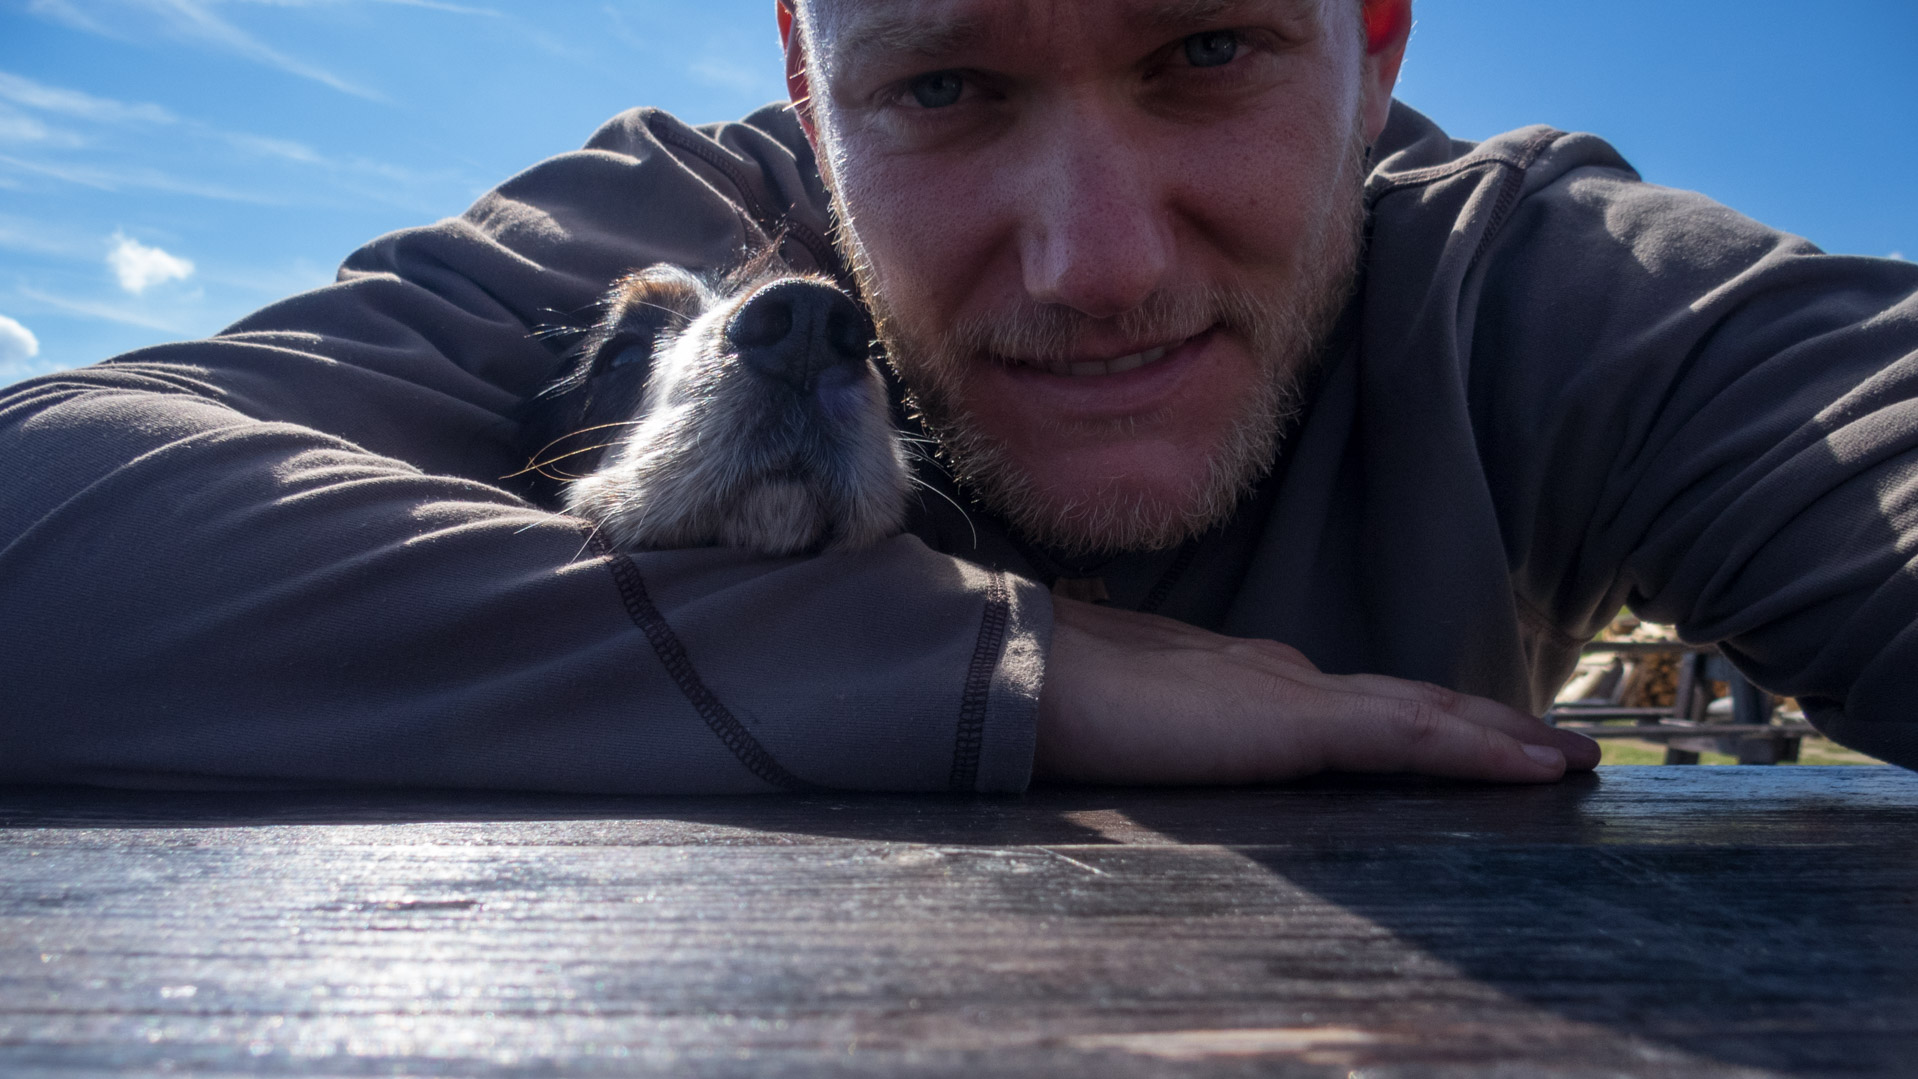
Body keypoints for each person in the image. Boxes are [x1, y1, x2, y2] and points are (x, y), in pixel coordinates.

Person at [0, 0, 1912, 794]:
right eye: (942, 85)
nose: (1096, 264)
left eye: (1207, 47)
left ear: (1372, 38)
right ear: (810, 76)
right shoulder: (655, 237)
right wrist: (999, 664)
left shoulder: (1550, 282)